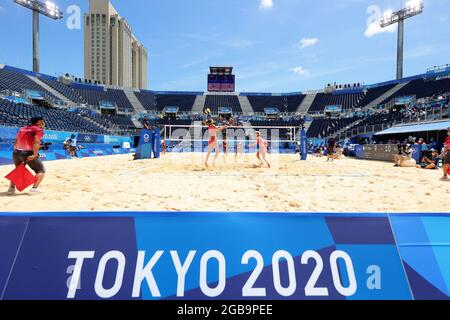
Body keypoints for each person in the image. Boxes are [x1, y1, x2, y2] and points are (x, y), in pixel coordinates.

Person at [7, 116, 46, 195]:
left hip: (16, 152)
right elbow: (36, 142)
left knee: (18, 170)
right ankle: (34, 189)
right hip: (27, 153)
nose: (43, 123)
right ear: (39, 122)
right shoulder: (38, 130)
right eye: (42, 121)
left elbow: (17, 141)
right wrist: (35, 154)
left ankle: (11, 189)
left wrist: (16, 151)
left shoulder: (22, 128)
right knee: (41, 170)